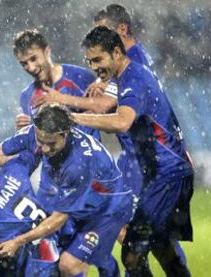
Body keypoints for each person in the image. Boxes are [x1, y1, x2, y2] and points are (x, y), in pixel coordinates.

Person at [71, 26, 194, 276]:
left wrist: (74, 118)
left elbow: (121, 121)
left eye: (98, 59)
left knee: (131, 253)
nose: (94, 67)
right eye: (90, 61)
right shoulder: (129, 76)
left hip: (166, 176)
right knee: (162, 247)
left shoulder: (134, 80)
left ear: (117, 52)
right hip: (168, 173)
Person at [0, 104, 133, 276]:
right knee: (50, 253)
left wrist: (17, 241)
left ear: (65, 134)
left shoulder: (79, 164)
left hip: (106, 209)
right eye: (41, 142)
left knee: (68, 264)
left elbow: (59, 218)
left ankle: (108, 266)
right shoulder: (35, 133)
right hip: (78, 201)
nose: (45, 149)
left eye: (51, 144)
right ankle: (103, 261)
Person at [12, 29, 109, 139]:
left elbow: (107, 111)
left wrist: (62, 99)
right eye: (24, 64)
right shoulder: (26, 96)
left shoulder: (80, 76)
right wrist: (23, 132)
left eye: (34, 59)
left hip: (88, 155)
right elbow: (34, 144)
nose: (31, 68)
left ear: (47, 51)